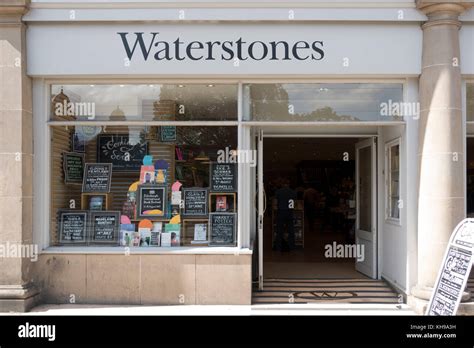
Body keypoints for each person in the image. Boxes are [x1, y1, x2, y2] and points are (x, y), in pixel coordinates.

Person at [274, 178, 297, 251]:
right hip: (289, 212)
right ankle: (292, 246)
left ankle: (278, 247)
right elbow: (294, 203)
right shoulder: (293, 192)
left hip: (281, 212)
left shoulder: (278, 192)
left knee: (279, 230)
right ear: (289, 184)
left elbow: (275, 203)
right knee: (291, 230)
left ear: (282, 184)